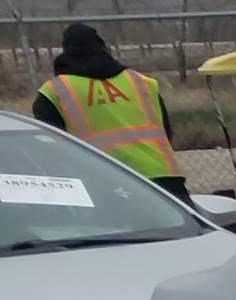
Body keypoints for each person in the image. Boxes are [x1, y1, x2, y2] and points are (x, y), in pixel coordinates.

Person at [31, 23, 187, 195]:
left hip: (104, 181)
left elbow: (51, 148)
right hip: (162, 175)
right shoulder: (141, 82)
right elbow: (166, 131)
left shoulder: (55, 91)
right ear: (103, 48)